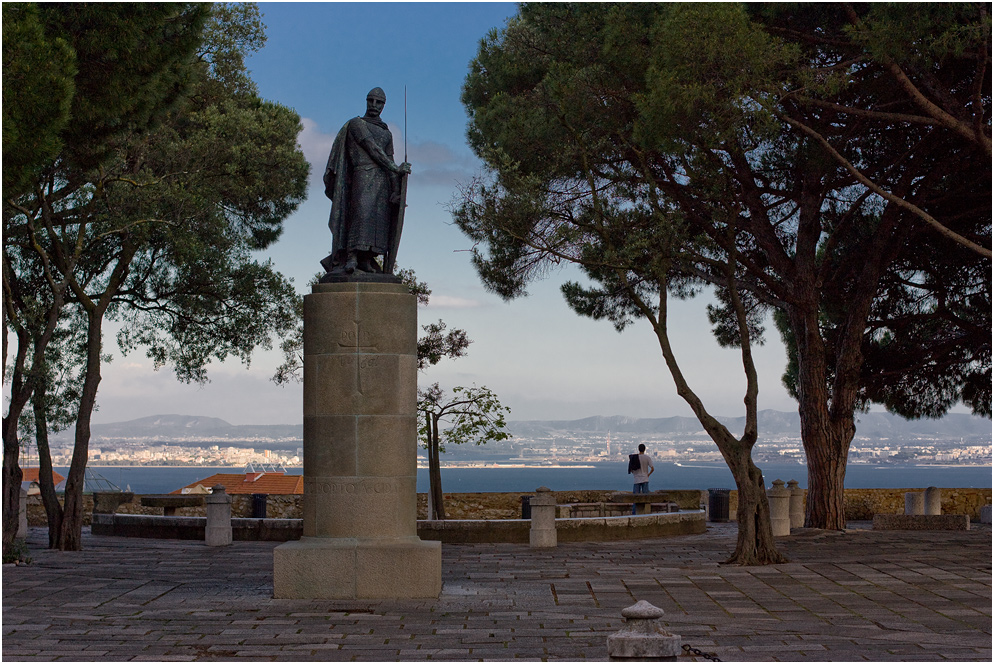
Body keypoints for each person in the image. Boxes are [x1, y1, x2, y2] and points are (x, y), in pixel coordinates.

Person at [322, 87, 411, 275]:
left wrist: (396, 190)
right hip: (362, 176)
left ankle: (366, 259)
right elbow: (371, 148)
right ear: (366, 101)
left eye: (379, 102)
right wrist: (396, 168)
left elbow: (390, 161)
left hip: (383, 183)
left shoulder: (386, 133)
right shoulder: (356, 124)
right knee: (361, 214)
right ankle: (351, 257)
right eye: (371, 101)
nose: (374, 105)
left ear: (384, 106)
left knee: (378, 221)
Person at [629, 443, 654, 515]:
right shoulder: (647, 458)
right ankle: (646, 513)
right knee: (646, 497)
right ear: (645, 449)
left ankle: (634, 513)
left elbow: (631, 469)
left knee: (635, 498)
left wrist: (635, 474)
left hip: (636, 479)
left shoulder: (634, 458)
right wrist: (648, 474)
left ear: (638, 449)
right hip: (645, 478)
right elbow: (652, 468)